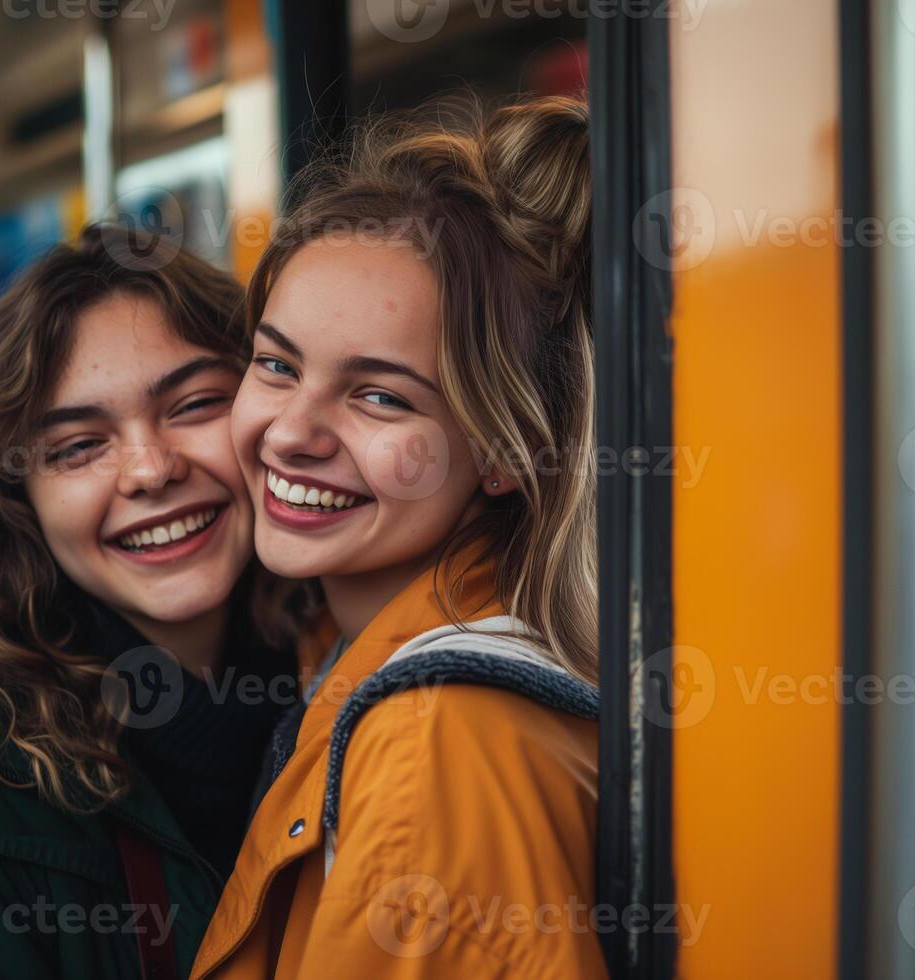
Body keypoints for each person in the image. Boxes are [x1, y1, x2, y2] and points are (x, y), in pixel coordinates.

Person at [0, 228, 307, 978]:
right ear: (19, 505)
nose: (150, 469)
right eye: (77, 448)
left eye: (195, 404)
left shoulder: (351, 688)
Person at [191, 95, 605, 979]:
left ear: (506, 450)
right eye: (276, 364)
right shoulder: (331, 652)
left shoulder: (438, 744)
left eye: (380, 396)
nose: (291, 431)